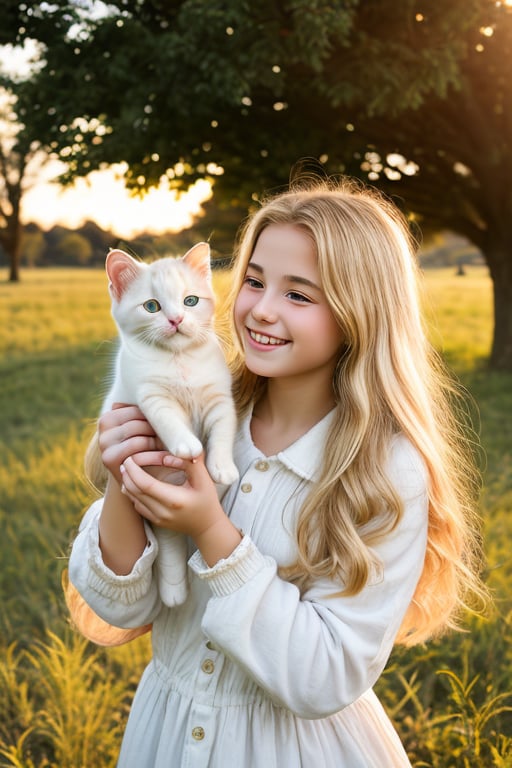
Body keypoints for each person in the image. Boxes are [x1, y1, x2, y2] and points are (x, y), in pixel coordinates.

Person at [68, 178, 488, 767]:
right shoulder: (198, 411)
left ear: (358, 312)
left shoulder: (385, 471)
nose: (261, 308)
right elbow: (121, 607)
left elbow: (325, 676)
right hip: (166, 738)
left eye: (299, 295)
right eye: (255, 281)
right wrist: (124, 476)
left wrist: (212, 530)